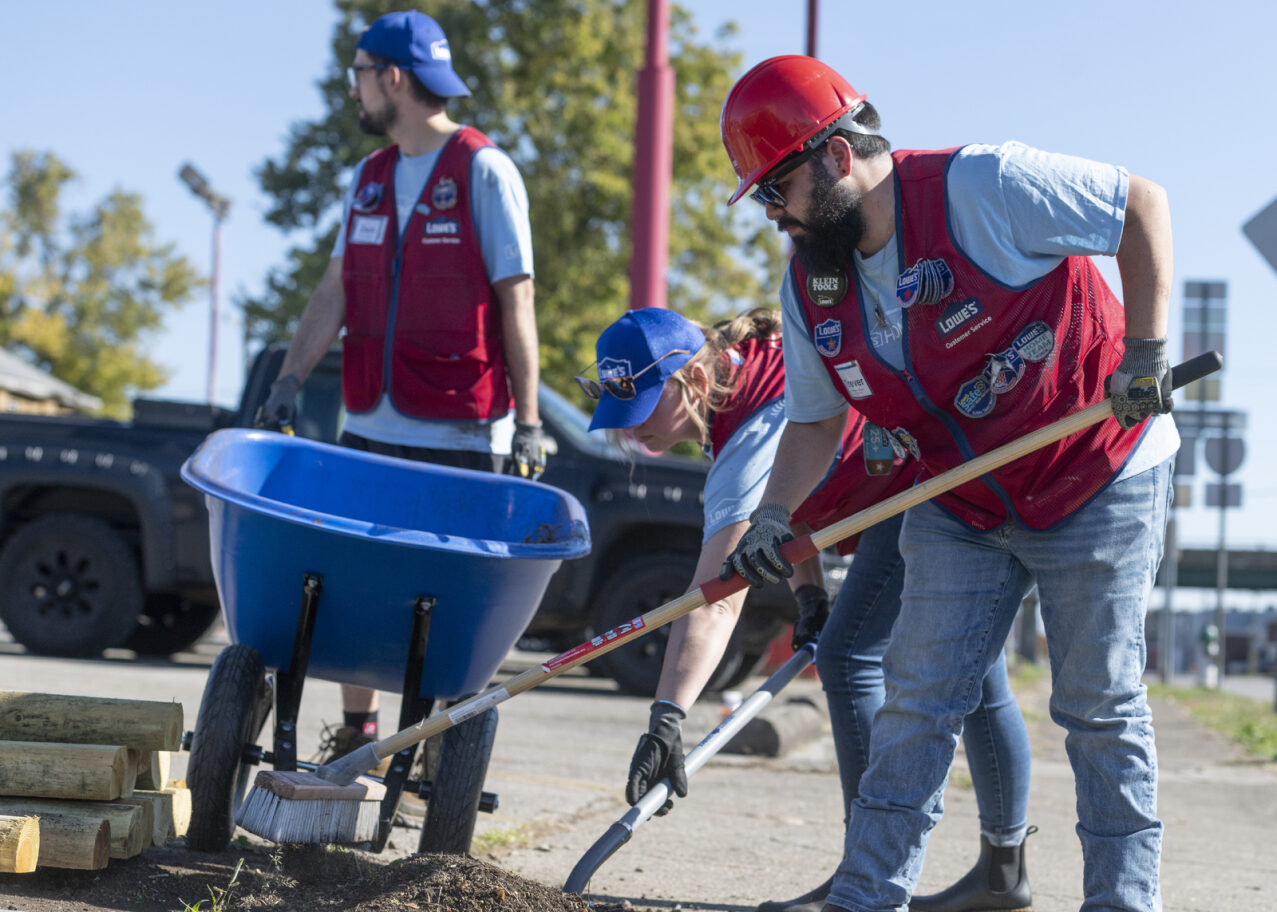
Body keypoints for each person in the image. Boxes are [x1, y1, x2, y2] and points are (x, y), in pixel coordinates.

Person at [718, 55, 1177, 912]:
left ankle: (1121, 902)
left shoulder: (984, 187)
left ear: (833, 154)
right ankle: (866, 896)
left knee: (1098, 709)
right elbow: (815, 423)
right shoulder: (812, 283)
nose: (774, 217)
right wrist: (772, 514)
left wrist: (1144, 356)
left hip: (1096, 470)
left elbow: (1138, 206)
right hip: (963, 497)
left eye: (776, 191)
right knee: (916, 702)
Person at [580, 306, 1033, 912]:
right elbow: (788, 511)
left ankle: (866, 876)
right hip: (931, 472)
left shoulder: (746, 441)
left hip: (925, 488)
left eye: (641, 409)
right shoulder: (749, 377)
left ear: (690, 379)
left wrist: (667, 716)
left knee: (848, 660)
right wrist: (809, 593)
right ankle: (1002, 876)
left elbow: (716, 598)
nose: (632, 432)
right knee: (978, 674)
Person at [258, 10, 546, 761]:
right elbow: (334, 290)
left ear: (392, 77)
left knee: (444, 601)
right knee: (351, 582)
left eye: (357, 73)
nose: (350, 89)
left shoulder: (484, 170)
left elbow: (518, 301)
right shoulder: (369, 178)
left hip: (458, 427)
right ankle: (358, 730)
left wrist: (532, 421)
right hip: (370, 422)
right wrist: (288, 377)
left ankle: (435, 748)